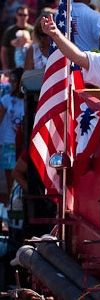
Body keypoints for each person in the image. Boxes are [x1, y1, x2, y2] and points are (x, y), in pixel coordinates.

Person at [0, 68, 24, 199]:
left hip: (23, 145)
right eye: (11, 81)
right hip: (8, 143)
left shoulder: (29, 99)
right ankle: (10, 208)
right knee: (10, 179)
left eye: (15, 81)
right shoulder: (5, 99)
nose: (12, 84)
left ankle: (19, 208)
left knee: (21, 177)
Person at [1, 6, 33, 70]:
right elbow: (3, 51)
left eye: (25, 15)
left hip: (29, 68)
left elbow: (38, 47)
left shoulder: (33, 30)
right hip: (12, 68)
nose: (22, 17)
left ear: (28, 16)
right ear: (16, 15)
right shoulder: (9, 31)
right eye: (20, 14)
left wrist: (28, 41)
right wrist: (5, 67)